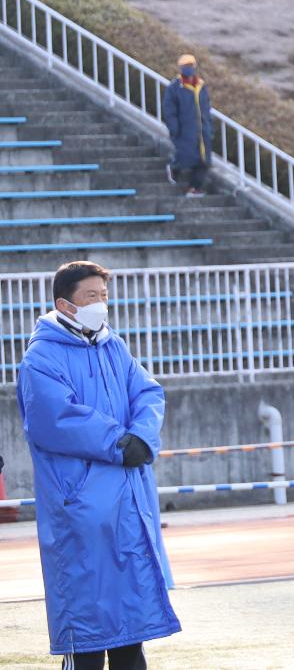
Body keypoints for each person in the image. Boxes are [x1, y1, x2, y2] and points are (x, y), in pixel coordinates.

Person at [17, 260, 179, 668]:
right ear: (65, 304)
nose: (102, 305)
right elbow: (53, 419)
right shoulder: (42, 358)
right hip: (80, 510)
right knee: (85, 636)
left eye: (104, 297)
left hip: (126, 503)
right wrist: (118, 442)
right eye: (92, 297)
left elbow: (147, 392)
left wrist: (141, 436)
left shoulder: (113, 346)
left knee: (130, 638)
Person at [159, 53, 216, 198]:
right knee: (184, 156)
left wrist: (209, 128)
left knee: (204, 161)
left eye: (190, 66)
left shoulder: (201, 86)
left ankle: (194, 188)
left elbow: (207, 108)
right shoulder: (174, 88)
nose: (188, 69)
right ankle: (173, 169)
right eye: (185, 66)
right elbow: (169, 110)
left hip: (202, 131)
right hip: (184, 130)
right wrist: (174, 128)